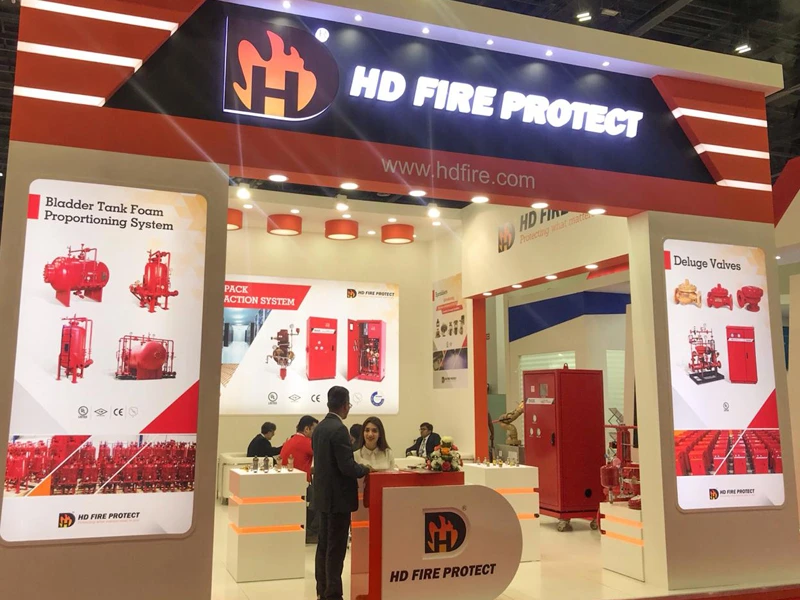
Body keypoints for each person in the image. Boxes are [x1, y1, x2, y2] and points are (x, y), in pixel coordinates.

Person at [312, 386, 371, 600]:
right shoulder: (339, 429)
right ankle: (333, 594)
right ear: (345, 405)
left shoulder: (319, 428)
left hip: (323, 496)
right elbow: (346, 466)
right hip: (338, 499)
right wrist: (364, 469)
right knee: (336, 550)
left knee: (323, 546)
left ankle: (322, 590)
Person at [280, 415, 319, 543]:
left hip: (288, 483)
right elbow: (323, 453)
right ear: (307, 429)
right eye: (315, 430)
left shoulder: (290, 441)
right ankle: (311, 532)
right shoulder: (305, 442)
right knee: (321, 500)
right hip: (300, 485)